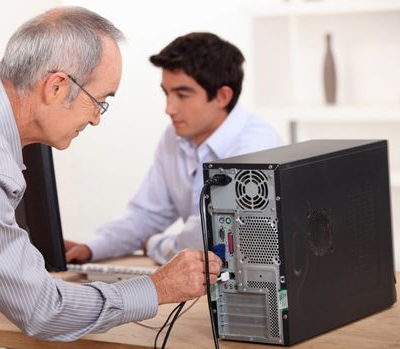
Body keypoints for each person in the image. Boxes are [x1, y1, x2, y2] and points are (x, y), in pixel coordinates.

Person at [0, 7, 222, 341]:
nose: (96, 119)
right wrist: (157, 287)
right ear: (56, 86)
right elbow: (44, 310)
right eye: (99, 101)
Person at [66, 32, 282, 265]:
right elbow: (147, 214)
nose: (169, 108)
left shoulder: (256, 147)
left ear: (222, 96)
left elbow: (211, 241)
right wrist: (90, 248)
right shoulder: (175, 137)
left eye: (182, 94)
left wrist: (154, 244)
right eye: (167, 93)